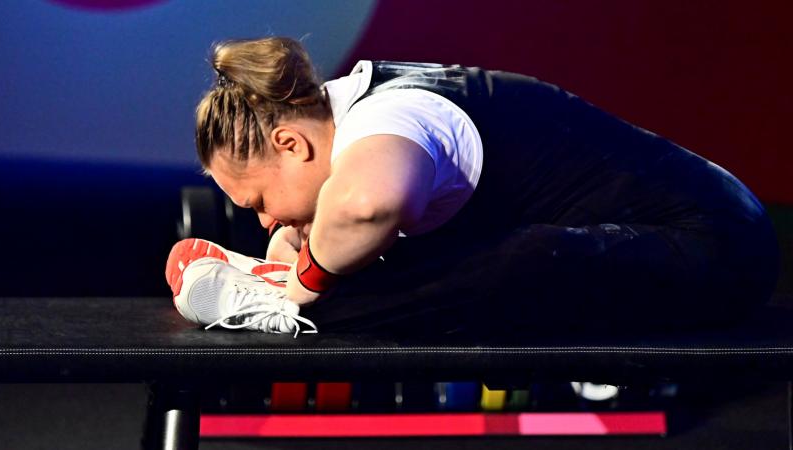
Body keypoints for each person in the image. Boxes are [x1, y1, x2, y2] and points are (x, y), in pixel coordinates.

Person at [166, 36, 779, 338]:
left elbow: (365, 204)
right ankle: (279, 299)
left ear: (291, 146)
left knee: (526, 261)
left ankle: (273, 311)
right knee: (468, 258)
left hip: (717, 251)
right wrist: (300, 251)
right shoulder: (358, 116)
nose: (266, 221)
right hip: (668, 245)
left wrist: (299, 287)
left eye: (260, 203)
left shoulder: (388, 117)